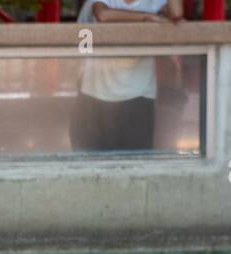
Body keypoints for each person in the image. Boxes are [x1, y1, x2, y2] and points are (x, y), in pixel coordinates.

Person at [70, 0, 184, 152]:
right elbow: (103, 15)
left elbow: (176, 15)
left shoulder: (154, 3)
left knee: (135, 165)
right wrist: (147, 18)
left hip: (138, 97)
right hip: (94, 95)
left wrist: (153, 16)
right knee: (89, 164)